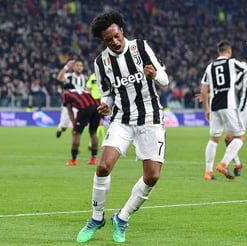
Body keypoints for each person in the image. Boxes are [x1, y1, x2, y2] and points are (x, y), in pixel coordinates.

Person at [76, 10, 169, 243]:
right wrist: (104, 105)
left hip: (151, 118)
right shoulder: (101, 62)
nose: (115, 42)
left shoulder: (141, 47)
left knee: (152, 176)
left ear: (122, 31)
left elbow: (165, 80)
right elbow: (107, 94)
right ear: (103, 40)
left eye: (116, 36)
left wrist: (155, 74)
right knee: (104, 167)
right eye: (109, 40)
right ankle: (97, 218)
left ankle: (123, 217)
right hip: (122, 120)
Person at [200, 40, 247, 180]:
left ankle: (208, 172)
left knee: (214, 139)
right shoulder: (232, 63)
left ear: (218, 52)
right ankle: (224, 163)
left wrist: (206, 109)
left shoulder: (210, 67)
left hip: (214, 106)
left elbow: (203, 90)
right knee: (240, 136)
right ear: (229, 52)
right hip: (229, 105)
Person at [61, 83, 101, 166]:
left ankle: (74, 160)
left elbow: (69, 109)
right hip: (97, 107)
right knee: (93, 133)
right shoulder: (83, 90)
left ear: (65, 89)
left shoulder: (66, 93)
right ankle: (93, 158)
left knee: (77, 133)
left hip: (85, 108)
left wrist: (74, 124)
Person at [56, 59, 88, 138]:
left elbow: (87, 90)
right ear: (73, 67)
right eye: (77, 65)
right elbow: (59, 78)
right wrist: (66, 67)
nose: (79, 67)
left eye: (81, 66)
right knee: (64, 127)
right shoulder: (69, 76)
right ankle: (60, 129)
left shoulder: (85, 78)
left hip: (79, 105)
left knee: (77, 125)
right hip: (68, 105)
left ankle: (75, 147)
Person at [85, 72, 106, 148]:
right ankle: (98, 142)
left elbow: (87, 88)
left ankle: (95, 143)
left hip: (102, 101)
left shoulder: (103, 75)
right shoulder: (93, 76)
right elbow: (88, 88)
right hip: (94, 102)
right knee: (97, 123)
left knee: (100, 122)